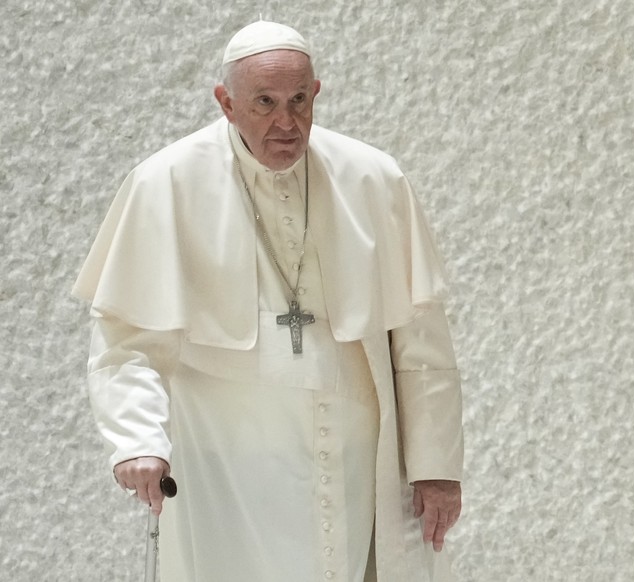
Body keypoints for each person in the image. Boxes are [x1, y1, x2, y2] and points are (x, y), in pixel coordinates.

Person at [74, 20, 464, 582]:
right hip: (225, 467)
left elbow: (422, 337)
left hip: (351, 464)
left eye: (299, 100)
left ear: (317, 93)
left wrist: (435, 465)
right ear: (226, 103)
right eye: (264, 103)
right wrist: (136, 441)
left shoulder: (373, 179)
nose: (287, 122)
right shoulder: (166, 183)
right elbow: (127, 340)